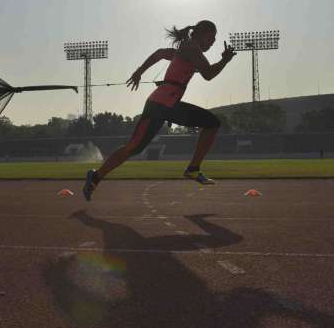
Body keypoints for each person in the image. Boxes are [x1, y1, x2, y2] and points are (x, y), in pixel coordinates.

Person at [83, 20, 236, 201]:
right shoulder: (192, 48)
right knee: (211, 123)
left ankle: (96, 177)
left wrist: (140, 70)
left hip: (162, 104)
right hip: (163, 104)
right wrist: (224, 60)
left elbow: (160, 54)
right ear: (200, 34)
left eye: (214, 39)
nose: (212, 42)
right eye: (211, 38)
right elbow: (208, 74)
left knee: (134, 148)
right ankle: (193, 169)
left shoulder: (186, 49)